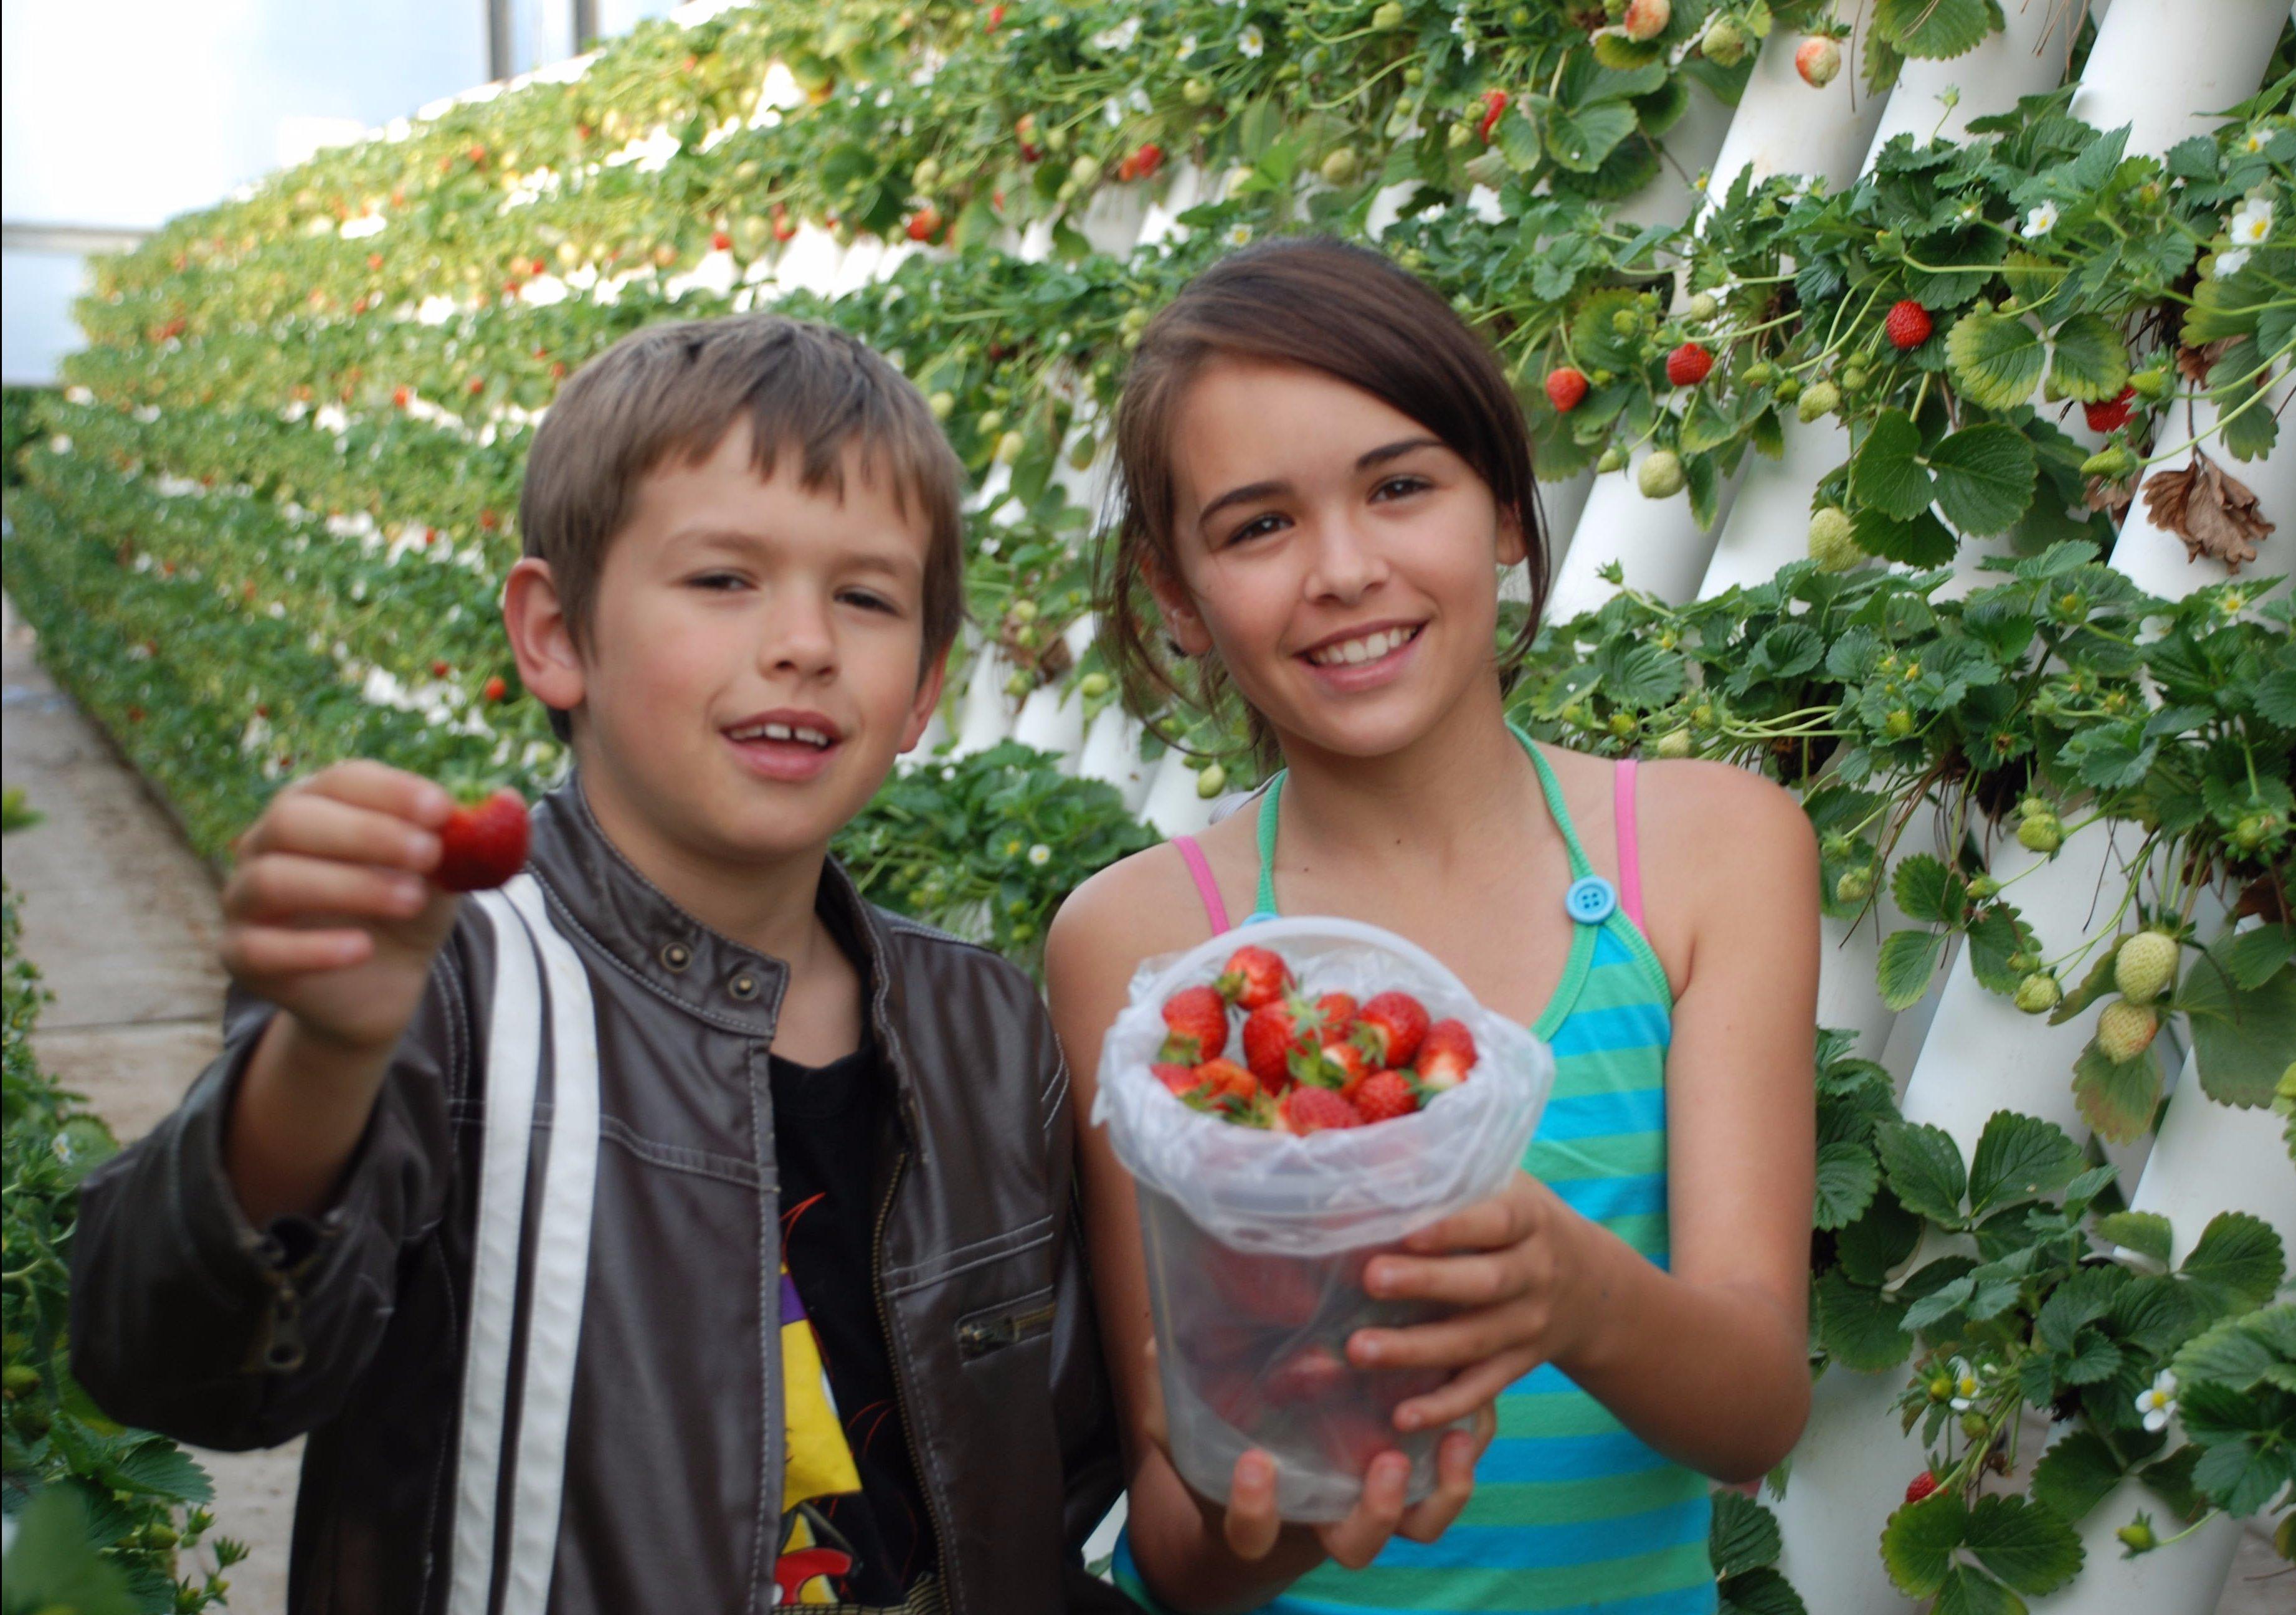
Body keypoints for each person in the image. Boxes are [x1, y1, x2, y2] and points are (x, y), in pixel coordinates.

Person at [70, 314, 1131, 1615]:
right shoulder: (454, 985)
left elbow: (1047, 1477)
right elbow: (180, 1368)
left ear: (922, 688)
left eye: (865, 595)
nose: (803, 639)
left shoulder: (984, 1029)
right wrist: (324, 1058)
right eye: (723, 579)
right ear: (555, 633)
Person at [1045, 238, 1819, 1615]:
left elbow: (1755, 1409)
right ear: (1178, 592)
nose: (1343, 569)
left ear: (1507, 512)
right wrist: (1312, 1461)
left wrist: (1575, 1297)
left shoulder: (1707, 855)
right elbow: (1178, 1544)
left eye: (1400, 486)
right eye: (1257, 526)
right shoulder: (1153, 944)